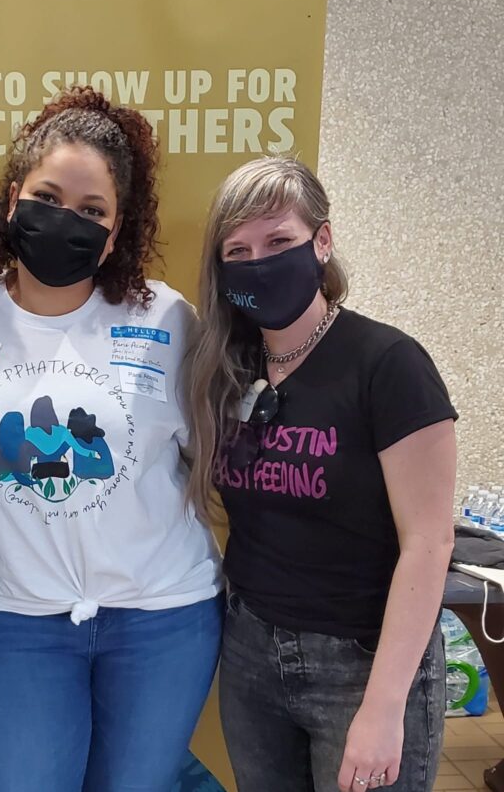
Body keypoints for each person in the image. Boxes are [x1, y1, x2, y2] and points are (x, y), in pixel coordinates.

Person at [0, 87, 223, 792]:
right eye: (48, 196)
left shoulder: (168, 319)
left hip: (163, 617)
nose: (67, 221)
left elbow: (207, 455)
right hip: (19, 621)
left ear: (116, 233)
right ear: (12, 200)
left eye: (92, 212)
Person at [186, 156, 457, 792]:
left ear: (323, 241)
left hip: (362, 664)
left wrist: (385, 708)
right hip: (252, 654)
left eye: (280, 241)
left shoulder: (388, 364)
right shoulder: (227, 371)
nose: (260, 262)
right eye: (239, 250)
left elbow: (430, 543)